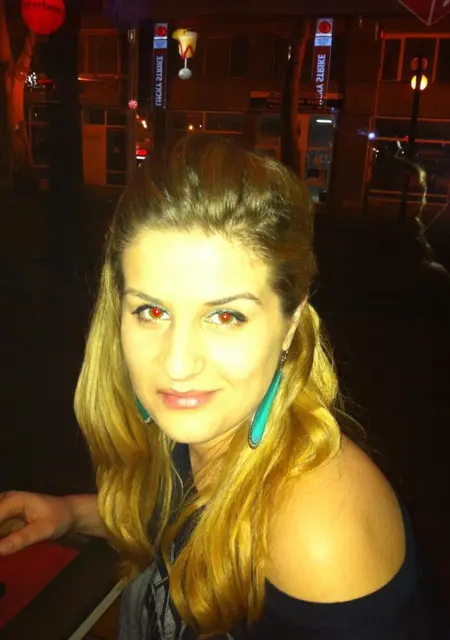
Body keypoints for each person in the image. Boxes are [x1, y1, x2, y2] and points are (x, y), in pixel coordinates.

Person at [0, 135, 446, 639]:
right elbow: (176, 514)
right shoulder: (204, 423)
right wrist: (68, 515)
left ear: (290, 325)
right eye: (152, 311)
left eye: (226, 316)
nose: (177, 365)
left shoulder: (319, 532)